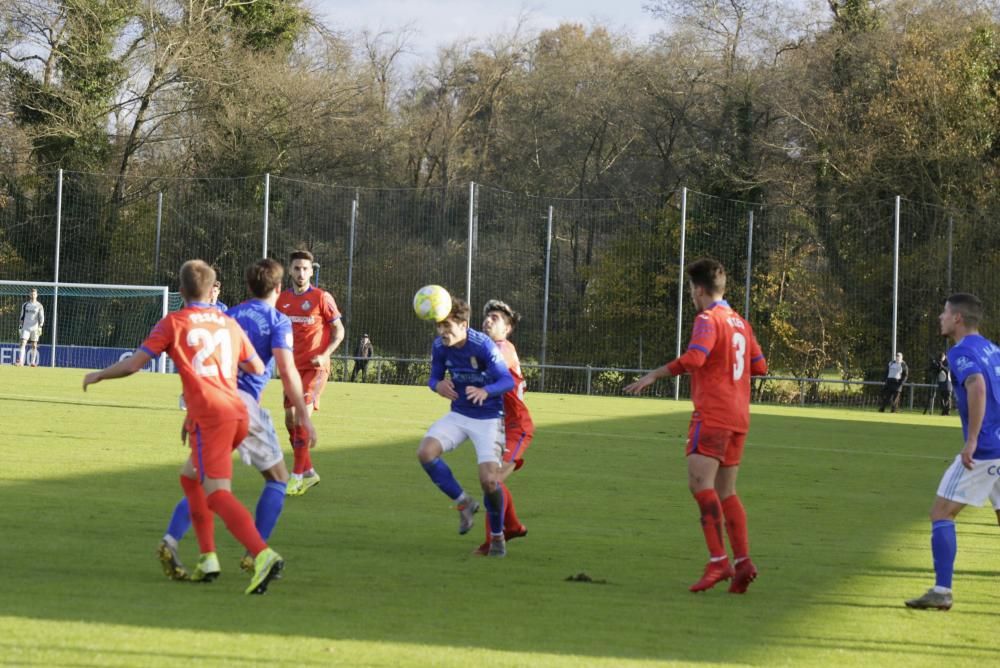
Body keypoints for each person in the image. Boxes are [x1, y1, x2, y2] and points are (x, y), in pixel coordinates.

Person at [82, 259, 285, 595]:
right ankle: (208, 558)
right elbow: (255, 364)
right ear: (212, 290)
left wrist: (101, 374)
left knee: (217, 493)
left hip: (211, 417)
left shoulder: (174, 323)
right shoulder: (227, 322)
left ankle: (263, 555)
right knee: (190, 478)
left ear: (180, 291)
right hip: (238, 411)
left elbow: (135, 364)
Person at [157, 259, 317, 580]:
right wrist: (303, 415)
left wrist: (193, 412)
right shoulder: (278, 320)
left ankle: (172, 541)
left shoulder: (227, 315)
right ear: (277, 288)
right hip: (242, 409)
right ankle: (254, 553)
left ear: (247, 287)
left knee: (197, 479)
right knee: (277, 479)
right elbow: (285, 371)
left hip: (211, 405)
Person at [624, 258, 767, 593]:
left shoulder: (707, 319)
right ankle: (743, 561)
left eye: (690, 289)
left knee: (699, 483)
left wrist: (654, 375)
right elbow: (759, 366)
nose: (690, 296)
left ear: (699, 290)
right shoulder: (740, 323)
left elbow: (695, 358)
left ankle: (719, 561)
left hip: (713, 415)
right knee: (726, 491)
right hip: (738, 417)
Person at [905, 293, 1000, 611]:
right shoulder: (993, 350)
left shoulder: (961, 352)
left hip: (985, 450)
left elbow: (977, 385)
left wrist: (972, 440)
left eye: (944, 312)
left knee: (941, 512)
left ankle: (942, 590)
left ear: (958, 318)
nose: (940, 317)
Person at [416, 297, 515, 557]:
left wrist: (486, 390)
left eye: (447, 326)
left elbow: (507, 381)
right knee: (425, 453)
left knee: (490, 482)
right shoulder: (440, 346)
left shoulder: (482, 345)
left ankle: (497, 537)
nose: (442, 332)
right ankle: (464, 503)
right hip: (459, 415)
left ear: (463, 324)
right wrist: (437, 385)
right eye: (439, 326)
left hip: (489, 418)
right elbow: (434, 377)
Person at [276, 249, 344, 496]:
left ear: (312, 271)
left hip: (315, 368)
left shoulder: (321, 298)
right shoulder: (281, 300)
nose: (301, 273)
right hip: (291, 369)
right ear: (290, 270)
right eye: (297, 268)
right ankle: (309, 472)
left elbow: (339, 332)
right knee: (289, 420)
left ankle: (295, 477)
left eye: (305, 269)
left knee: (301, 417)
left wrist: (326, 354)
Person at [473, 299, 533, 555]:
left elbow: (492, 363)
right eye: (487, 317)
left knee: (492, 480)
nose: (488, 320)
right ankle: (512, 527)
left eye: (495, 318)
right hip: (496, 429)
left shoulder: (503, 347)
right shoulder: (487, 348)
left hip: (516, 428)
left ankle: (495, 539)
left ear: (507, 328)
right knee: (491, 482)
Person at [17, 288, 44, 367]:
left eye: (34, 294)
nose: (33, 295)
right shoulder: (25, 305)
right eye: (32, 294)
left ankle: (32, 362)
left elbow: (41, 317)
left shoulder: (39, 306)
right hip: (26, 327)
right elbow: (22, 316)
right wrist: (20, 326)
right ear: (29, 295)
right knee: (23, 343)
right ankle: (21, 362)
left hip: (35, 328)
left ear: (37, 295)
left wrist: (40, 326)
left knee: (34, 345)